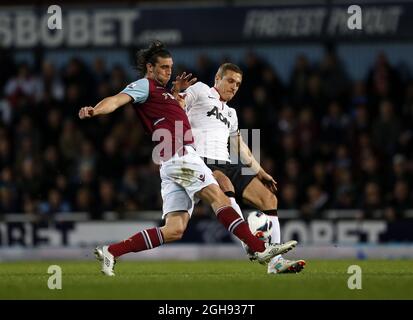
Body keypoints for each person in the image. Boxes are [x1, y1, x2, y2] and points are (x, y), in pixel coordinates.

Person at [78, 41, 297, 276]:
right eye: (163, 67)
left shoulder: (167, 95)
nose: (168, 72)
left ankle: (111, 251)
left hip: (172, 162)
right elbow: (117, 99)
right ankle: (258, 247)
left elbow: (187, 116)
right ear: (150, 68)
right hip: (180, 154)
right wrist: (95, 110)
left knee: (174, 229)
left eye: (170, 67)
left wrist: (175, 93)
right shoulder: (146, 86)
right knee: (218, 196)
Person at [181, 63, 305, 274]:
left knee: (269, 198)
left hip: (226, 162)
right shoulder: (200, 90)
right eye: (230, 81)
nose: (234, 86)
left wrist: (260, 171)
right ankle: (248, 242)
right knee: (226, 185)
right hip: (200, 159)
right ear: (217, 79)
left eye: (238, 84)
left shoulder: (231, 113)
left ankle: (276, 262)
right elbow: (176, 105)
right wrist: (177, 93)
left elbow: (240, 147)